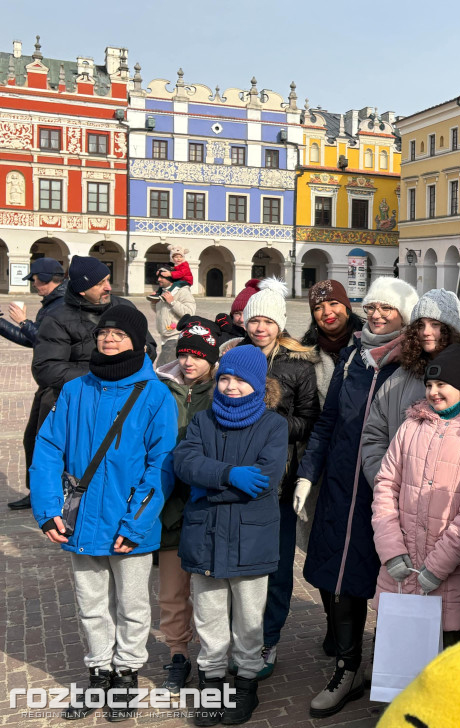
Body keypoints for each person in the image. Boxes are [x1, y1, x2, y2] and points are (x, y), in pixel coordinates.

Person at [30, 305, 178, 721]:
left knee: (132, 604)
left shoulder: (155, 396)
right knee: (91, 602)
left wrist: (137, 523)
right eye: (103, 333)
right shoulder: (76, 390)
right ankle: (99, 672)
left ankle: (127, 673)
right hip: (79, 523)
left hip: (129, 523)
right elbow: (48, 449)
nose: (108, 338)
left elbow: (161, 466)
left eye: (118, 334)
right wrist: (46, 509)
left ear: (136, 340)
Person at [292, 276, 418, 717]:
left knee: (390, 582)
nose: (378, 315)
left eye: (389, 309)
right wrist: (309, 474)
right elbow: (327, 422)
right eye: (374, 307)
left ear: (406, 313)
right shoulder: (353, 357)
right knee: (341, 578)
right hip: (343, 486)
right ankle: (347, 667)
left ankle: (387, 668)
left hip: (390, 492)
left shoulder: (416, 363)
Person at [174, 344, 289, 726]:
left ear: (257, 384)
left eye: (240, 380)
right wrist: (226, 476)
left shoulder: (274, 425)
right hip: (205, 539)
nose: (231, 386)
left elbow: (265, 479)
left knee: (249, 620)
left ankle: (244, 683)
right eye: (225, 378)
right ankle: (211, 681)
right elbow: (184, 463)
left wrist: (206, 484)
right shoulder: (204, 421)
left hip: (251, 542)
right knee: (209, 618)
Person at [223, 277, 321, 679]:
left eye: (267, 320)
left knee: (276, 566)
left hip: (279, 479)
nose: (260, 327)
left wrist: (267, 421)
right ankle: (238, 635)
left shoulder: (298, 364)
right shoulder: (234, 355)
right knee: (239, 562)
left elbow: (311, 420)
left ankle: (268, 638)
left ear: (280, 323)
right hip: (237, 478)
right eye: (253, 320)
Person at [371, 344, 460, 650]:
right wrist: (391, 550)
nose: (434, 392)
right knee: (399, 666)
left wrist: (437, 566)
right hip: (400, 571)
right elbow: (385, 485)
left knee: (444, 669)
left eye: (442, 385)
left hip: (448, 580)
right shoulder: (410, 428)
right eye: (429, 385)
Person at [154, 315, 223, 694]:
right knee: (171, 592)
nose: (189, 362)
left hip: (207, 508)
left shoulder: (223, 391)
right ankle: (178, 655)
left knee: (210, 593)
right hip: (168, 510)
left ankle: (213, 657)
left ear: (212, 358)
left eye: (198, 355)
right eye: (184, 354)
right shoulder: (160, 390)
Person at [362, 288, 460, 484]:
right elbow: (374, 436)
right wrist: (385, 487)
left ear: (449, 329)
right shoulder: (399, 378)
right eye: (421, 325)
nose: (426, 332)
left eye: (435, 324)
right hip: (398, 499)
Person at [32, 256, 156, 423]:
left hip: (127, 391)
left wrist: (133, 360)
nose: (108, 288)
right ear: (82, 290)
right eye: (99, 284)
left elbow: (150, 346)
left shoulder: (125, 308)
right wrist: (100, 376)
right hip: (79, 397)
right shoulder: (57, 318)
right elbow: (47, 369)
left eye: (107, 280)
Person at [6, 258, 66, 511]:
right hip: (47, 384)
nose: (34, 286)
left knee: (44, 441)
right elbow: (31, 340)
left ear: (45, 279)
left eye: (35, 281)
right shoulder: (51, 303)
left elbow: (42, 340)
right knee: (33, 438)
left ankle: (48, 494)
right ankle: (37, 492)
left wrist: (23, 321)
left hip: (58, 384)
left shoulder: (62, 306)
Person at [299, 279, 363, 404]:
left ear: (347, 310)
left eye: (333, 303)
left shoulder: (367, 345)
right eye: (318, 308)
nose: (327, 312)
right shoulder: (304, 354)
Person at [150, 273, 197, 367]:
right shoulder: (164, 292)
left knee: (162, 368)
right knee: (171, 370)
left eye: (162, 277)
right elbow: (161, 312)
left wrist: (172, 302)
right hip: (165, 336)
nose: (158, 279)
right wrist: (154, 303)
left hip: (175, 337)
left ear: (170, 279)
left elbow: (189, 313)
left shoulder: (183, 292)